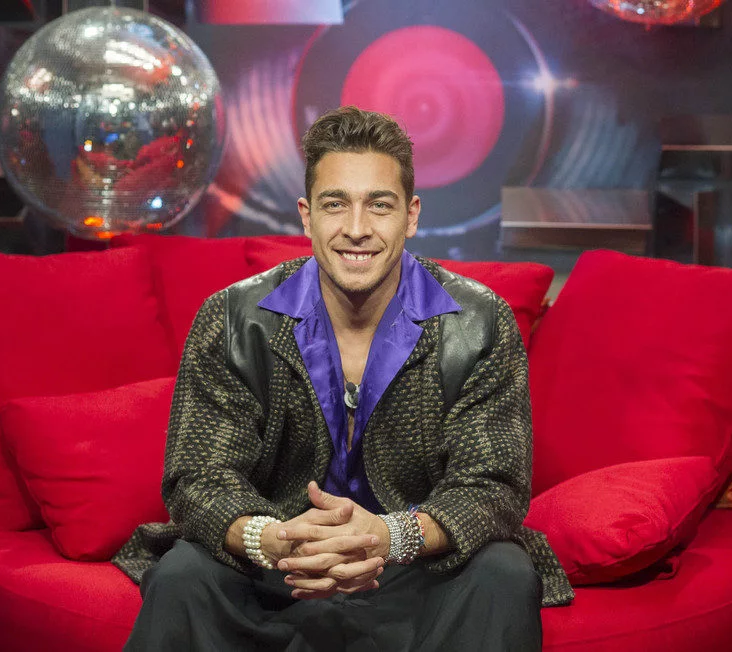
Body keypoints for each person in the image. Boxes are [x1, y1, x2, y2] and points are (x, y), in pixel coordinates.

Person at [114, 105, 574, 651]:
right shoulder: (232, 318)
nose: (357, 230)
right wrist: (274, 539)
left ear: (411, 215)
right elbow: (198, 477)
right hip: (274, 569)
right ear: (307, 216)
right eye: (336, 204)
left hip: (415, 570)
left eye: (379, 205)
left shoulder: (480, 322)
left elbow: (493, 486)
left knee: (504, 572)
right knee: (183, 574)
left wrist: (390, 536)